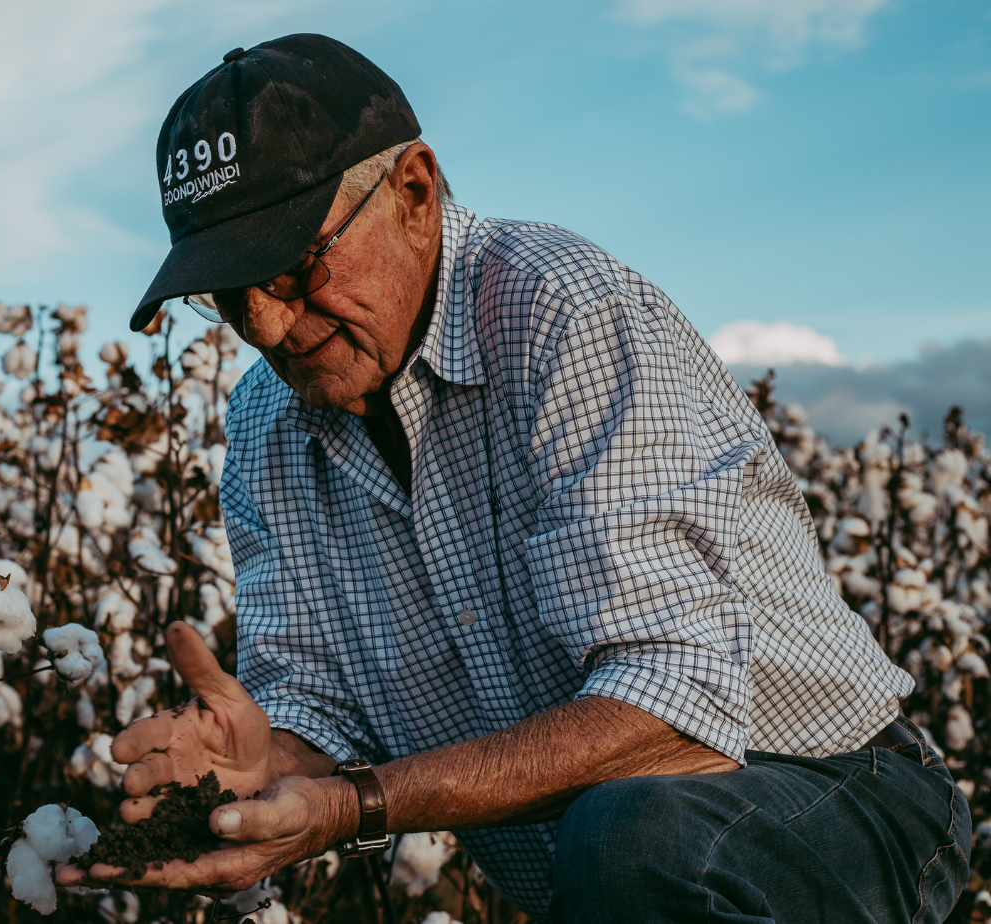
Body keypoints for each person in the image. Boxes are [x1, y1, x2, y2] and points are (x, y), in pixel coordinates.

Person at [55, 33, 972, 923]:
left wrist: (355, 806)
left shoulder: (561, 313)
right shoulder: (266, 425)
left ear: (414, 189)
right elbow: (316, 699)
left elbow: (673, 712)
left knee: (629, 834)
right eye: (227, 296)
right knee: (619, 844)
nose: (264, 327)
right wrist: (271, 757)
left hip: (845, 792)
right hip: (626, 872)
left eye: (293, 269)